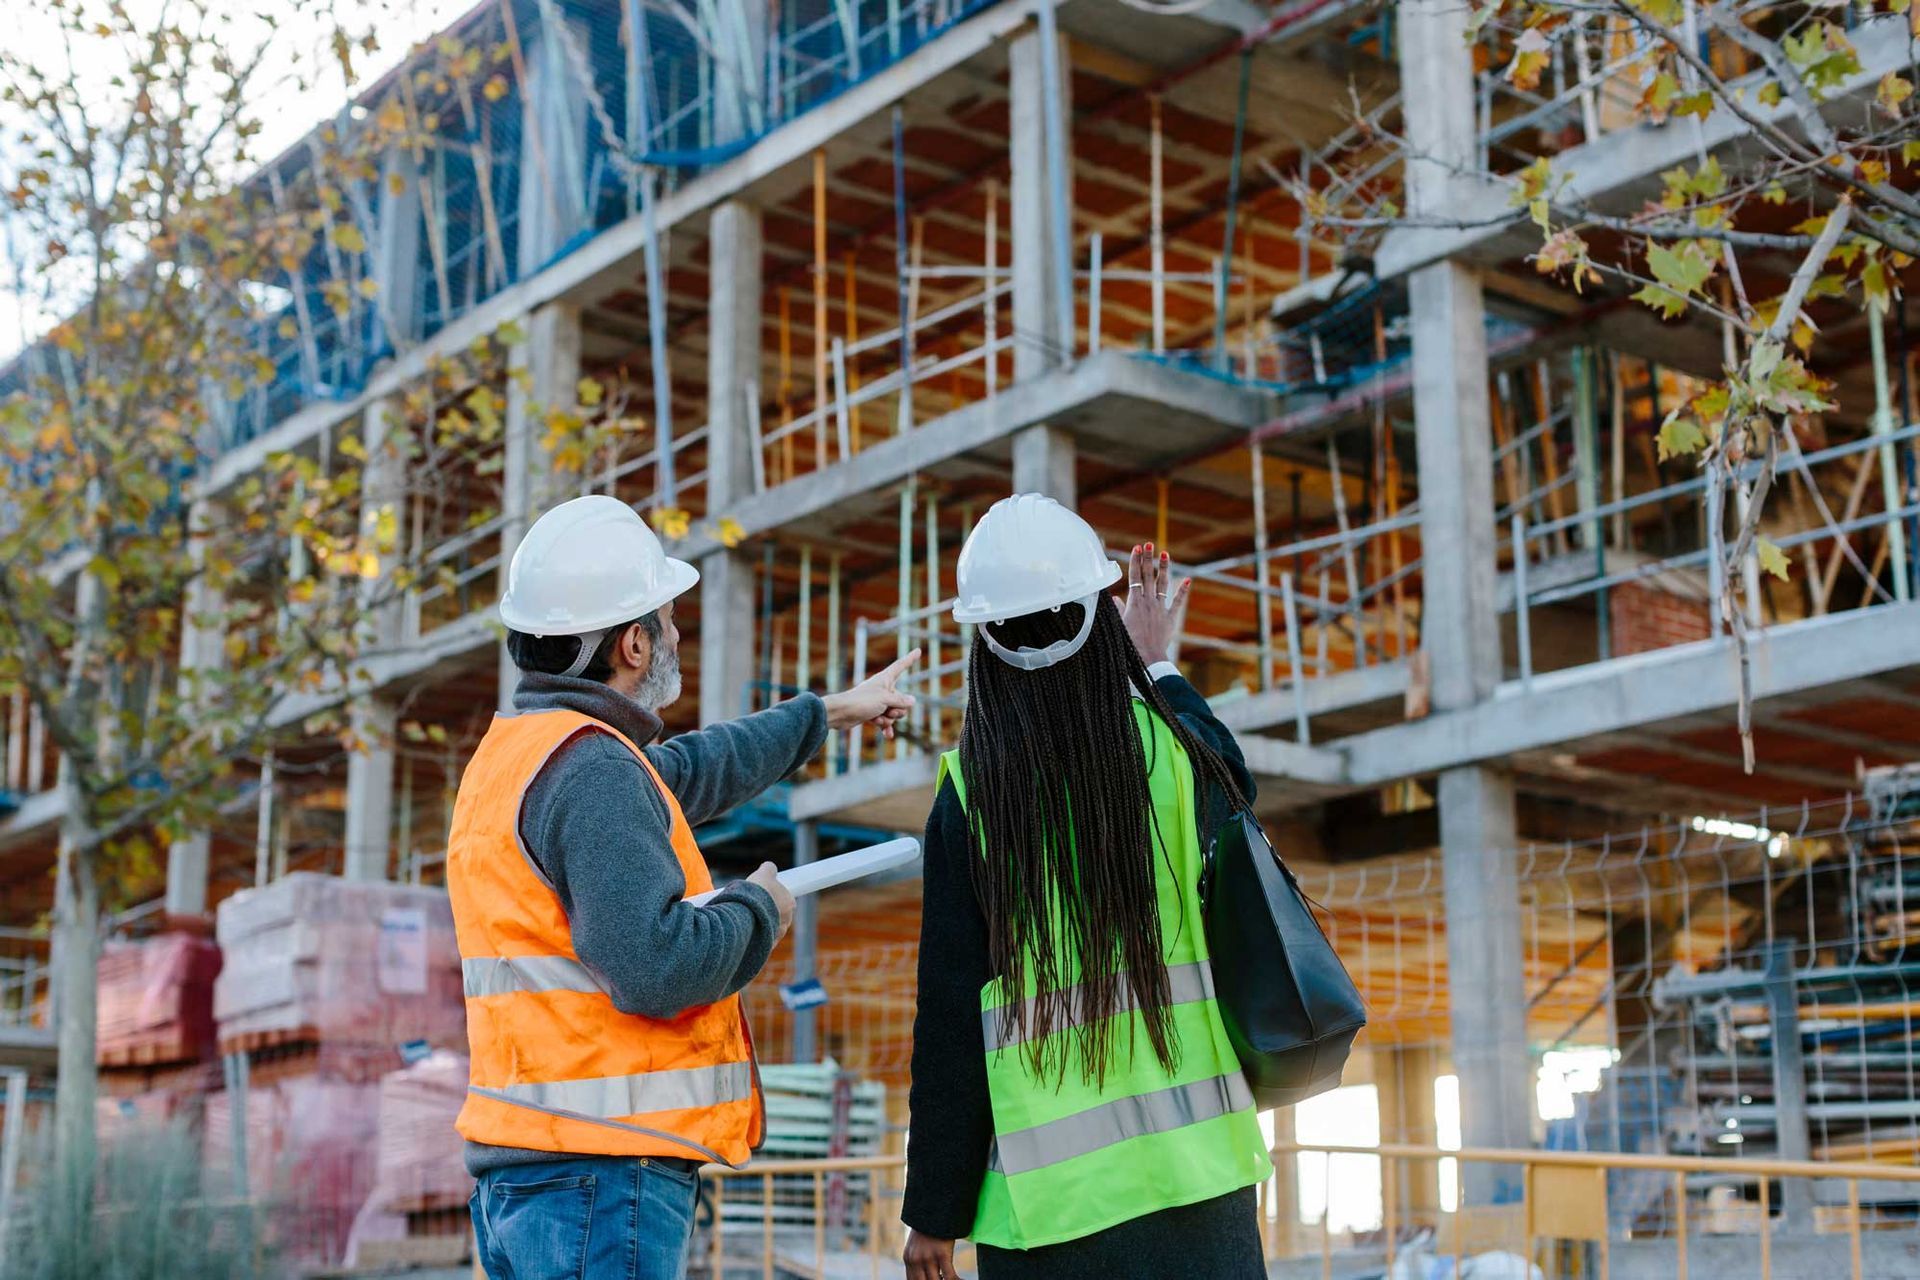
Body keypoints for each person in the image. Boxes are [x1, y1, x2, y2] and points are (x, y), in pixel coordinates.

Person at [449, 494, 918, 1280]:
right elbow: (655, 965)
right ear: (634, 643)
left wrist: (828, 713)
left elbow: (692, 771)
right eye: (667, 620)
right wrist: (758, 909)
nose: (675, 634)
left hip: (541, 1170)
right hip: (600, 1177)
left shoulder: (525, 758)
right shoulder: (593, 770)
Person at [901, 494, 1272, 1280]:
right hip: (1200, 1190)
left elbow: (950, 1026)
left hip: (1051, 1218)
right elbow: (1232, 779)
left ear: (985, 643)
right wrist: (1157, 663)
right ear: (1100, 618)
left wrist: (935, 1214)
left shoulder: (973, 799)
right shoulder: (1169, 754)